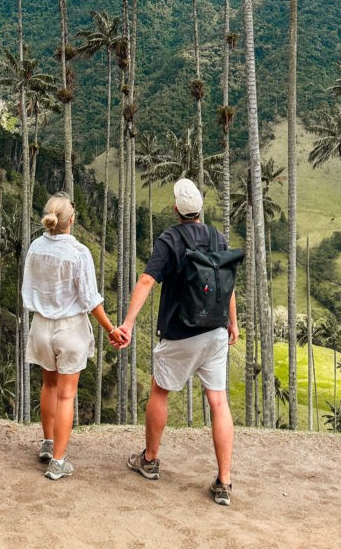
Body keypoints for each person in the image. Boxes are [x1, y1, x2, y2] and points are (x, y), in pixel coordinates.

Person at [117, 177, 239, 507]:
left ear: (176, 210)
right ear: (200, 209)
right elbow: (227, 282)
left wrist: (128, 323)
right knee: (218, 401)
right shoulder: (218, 237)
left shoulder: (170, 239)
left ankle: (150, 460)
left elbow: (146, 280)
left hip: (179, 332)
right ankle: (224, 481)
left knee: (160, 391)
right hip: (214, 331)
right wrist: (233, 323)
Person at [22, 191, 122, 480]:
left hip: (41, 325)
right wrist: (111, 330)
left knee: (48, 386)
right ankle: (58, 462)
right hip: (69, 328)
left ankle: (48, 443)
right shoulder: (78, 253)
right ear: (72, 220)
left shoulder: (36, 247)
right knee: (67, 395)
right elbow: (91, 301)